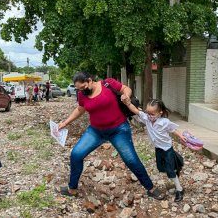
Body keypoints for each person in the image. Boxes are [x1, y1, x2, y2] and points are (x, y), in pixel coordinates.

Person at [58, 72, 164, 200]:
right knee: (76, 154)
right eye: (78, 89)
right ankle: (72, 189)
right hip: (95, 131)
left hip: (118, 130)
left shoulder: (108, 83)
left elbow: (126, 89)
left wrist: (126, 95)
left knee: (131, 160)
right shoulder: (82, 95)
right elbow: (80, 109)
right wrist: (65, 123)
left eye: (83, 87)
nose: (81, 91)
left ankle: (150, 188)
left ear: (90, 80)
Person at [124, 98, 187, 202]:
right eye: (148, 113)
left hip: (167, 149)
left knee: (170, 171)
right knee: (160, 167)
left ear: (160, 113)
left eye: (152, 114)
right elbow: (135, 111)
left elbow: (174, 129)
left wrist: (181, 136)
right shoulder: (146, 119)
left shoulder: (165, 122)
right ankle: (177, 165)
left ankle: (179, 190)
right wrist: (128, 103)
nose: (150, 116)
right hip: (158, 149)